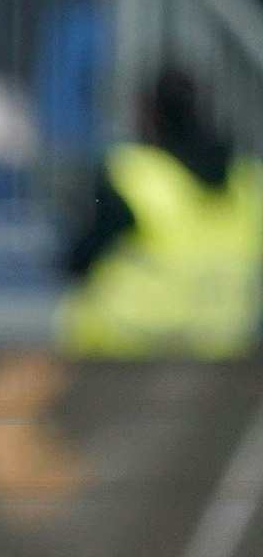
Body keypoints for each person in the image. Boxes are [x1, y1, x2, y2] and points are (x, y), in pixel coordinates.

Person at [59, 65, 262, 360]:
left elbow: (79, 260)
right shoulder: (247, 179)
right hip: (224, 341)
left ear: (151, 112)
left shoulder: (133, 174)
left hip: (128, 343)